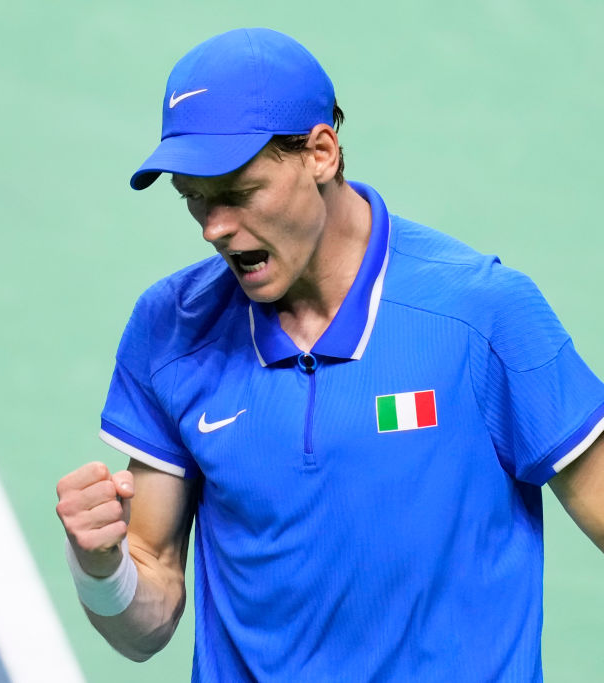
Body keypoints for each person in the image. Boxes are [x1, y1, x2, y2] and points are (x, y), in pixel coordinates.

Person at [54, 27, 604, 681]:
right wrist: (100, 566)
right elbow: (148, 611)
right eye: (193, 198)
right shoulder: (172, 329)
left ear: (320, 152)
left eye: (236, 192)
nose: (213, 227)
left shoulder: (480, 315)